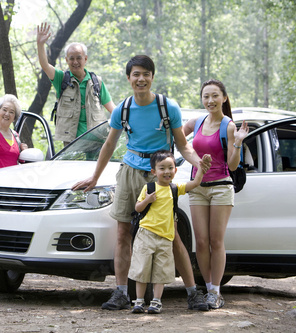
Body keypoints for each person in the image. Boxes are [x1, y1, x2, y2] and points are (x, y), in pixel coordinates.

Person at [72, 55, 211, 312]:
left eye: (146, 74)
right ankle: (121, 292)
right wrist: (94, 177)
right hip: (129, 173)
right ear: (129, 78)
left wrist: (197, 162)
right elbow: (109, 144)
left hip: (160, 177)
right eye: (136, 74)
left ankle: (193, 293)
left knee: (170, 235)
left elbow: (183, 145)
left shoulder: (168, 108)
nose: (141, 79)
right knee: (123, 234)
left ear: (152, 77)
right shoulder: (122, 110)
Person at [183, 79, 249, 309]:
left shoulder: (229, 126)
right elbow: (180, 140)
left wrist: (238, 142)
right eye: (206, 96)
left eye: (214, 96)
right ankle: (208, 287)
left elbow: (232, 166)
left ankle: (216, 292)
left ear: (224, 98)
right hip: (197, 187)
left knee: (215, 240)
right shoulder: (196, 121)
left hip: (221, 187)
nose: (210, 101)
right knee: (200, 242)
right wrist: (191, 156)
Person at [130, 150, 211, 314]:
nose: (166, 171)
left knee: (161, 270)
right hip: (146, 234)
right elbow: (138, 208)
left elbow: (195, 183)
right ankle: (138, 301)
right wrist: (147, 200)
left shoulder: (175, 188)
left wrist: (201, 169)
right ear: (154, 172)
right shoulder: (149, 187)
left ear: (175, 170)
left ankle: (156, 301)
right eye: (162, 168)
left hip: (166, 238)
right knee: (142, 268)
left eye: (170, 167)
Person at [36, 22, 116, 146]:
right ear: (66, 60)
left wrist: (127, 120)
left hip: (96, 140)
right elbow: (45, 66)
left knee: (95, 166)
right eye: (71, 58)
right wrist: (40, 44)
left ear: (85, 59)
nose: (75, 62)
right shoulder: (61, 79)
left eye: (79, 58)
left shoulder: (96, 82)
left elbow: (112, 109)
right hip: (71, 143)